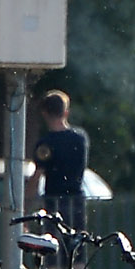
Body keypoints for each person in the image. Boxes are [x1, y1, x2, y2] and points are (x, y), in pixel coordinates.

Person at [27, 89, 88, 230]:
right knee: (76, 246)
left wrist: (26, 210)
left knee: (53, 247)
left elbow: (36, 178)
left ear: (44, 113)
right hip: (77, 203)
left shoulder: (46, 143)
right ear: (66, 112)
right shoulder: (80, 139)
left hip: (54, 203)